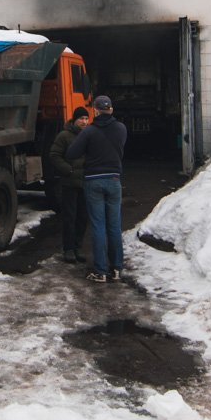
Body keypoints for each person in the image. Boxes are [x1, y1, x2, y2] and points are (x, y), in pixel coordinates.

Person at [66, 94, 127, 283]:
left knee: (98, 226)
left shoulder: (89, 131)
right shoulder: (121, 129)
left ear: (95, 110)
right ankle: (116, 268)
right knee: (114, 226)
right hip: (114, 179)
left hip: (93, 181)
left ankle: (100, 271)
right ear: (111, 109)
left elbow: (71, 153)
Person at [47, 106, 90, 263]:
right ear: (75, 120)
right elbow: (54, 155)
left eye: (86, 118)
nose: (84, 122)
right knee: (69, 217)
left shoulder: (89, 135)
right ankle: (69, 249)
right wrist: (68, 170)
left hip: (85, 183)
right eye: (81, 119)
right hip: (70, 183)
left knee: (82, 217)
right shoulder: (64, 136)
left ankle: (78, 247)